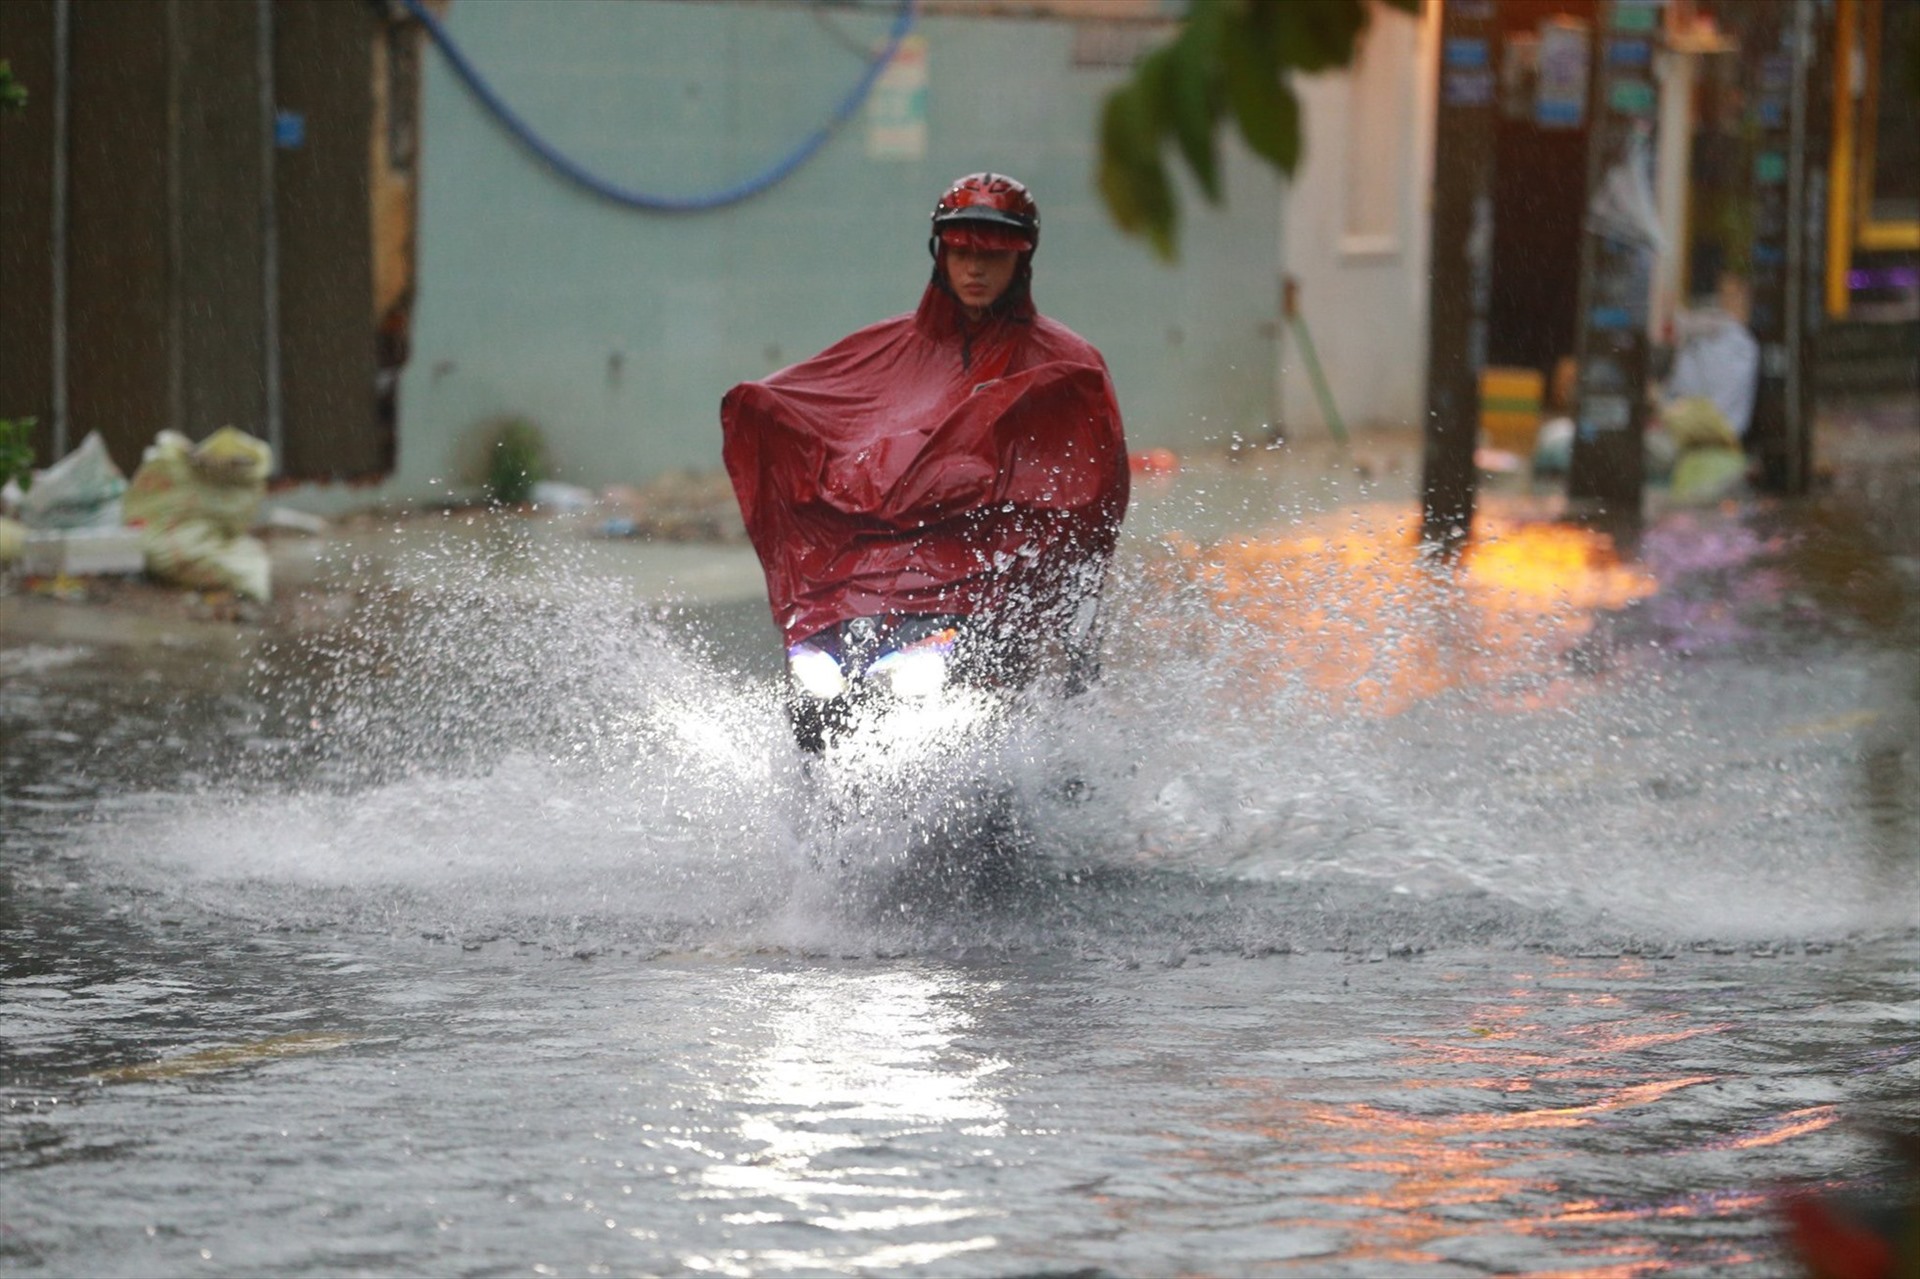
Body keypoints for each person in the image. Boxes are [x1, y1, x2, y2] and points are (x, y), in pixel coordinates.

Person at [720, 173, 1129, 715]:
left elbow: (1095, 494)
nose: (975, 269)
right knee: (813, 703)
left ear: (1023, 258)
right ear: (939, 253)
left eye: (992, 254)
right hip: (873, 590)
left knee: (1040, 704)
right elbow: (820, 410)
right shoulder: (884, 347)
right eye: (961, 253)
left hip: (995, 591)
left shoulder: (1067, 365)